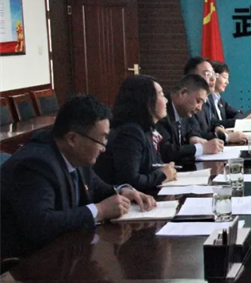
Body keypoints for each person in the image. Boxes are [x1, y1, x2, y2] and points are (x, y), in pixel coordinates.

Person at [0, 95, 156, 260]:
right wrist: (100, 210)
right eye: (100, 140)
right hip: (26, 264)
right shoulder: (36, 164)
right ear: (72, 139)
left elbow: (97, 188)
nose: (103, 148)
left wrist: (124, 192)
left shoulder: (75, 155)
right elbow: (41, 225)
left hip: (63, 254)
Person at [94, 75, 177, 192]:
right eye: (161, 94)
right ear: (146, 100)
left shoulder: (147, 129)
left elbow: (151, 166)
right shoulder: (130, 133)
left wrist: (164, 169)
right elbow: (130, 181)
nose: (166, 100)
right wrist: (162, 175)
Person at [156, 74, 223, 164]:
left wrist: (193, 137)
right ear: (183, 93)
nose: (199, 108)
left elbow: (191, 129)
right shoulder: (162, 112)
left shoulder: (184, 111)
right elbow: (166, 152)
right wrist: (201, 148)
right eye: (198, 101)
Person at [184, 56, 246, 144]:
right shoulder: (188, 104)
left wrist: (217, 128)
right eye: (207, 74)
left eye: (214, 74)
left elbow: (212, 124)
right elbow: (196, 136)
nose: (213, 79)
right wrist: (226, 137)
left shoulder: (206, 102)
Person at [211, 61, 251, 129]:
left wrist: (240, 121)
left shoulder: (220, 100)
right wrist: (243, 122)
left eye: (228, 79)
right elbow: (213, 124)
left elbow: (238, 114)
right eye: (224, 77)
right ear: (214, 76)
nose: (227, 82)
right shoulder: (205, 100)